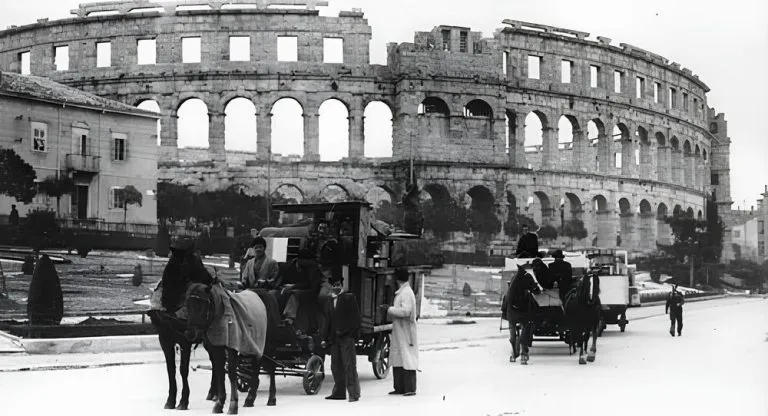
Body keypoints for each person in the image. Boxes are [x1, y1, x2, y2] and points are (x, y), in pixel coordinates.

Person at [321, 274, 361, 402]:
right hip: (334, 339)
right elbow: (326, 321)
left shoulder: (349, 298)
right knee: (335, 366)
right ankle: (339, 392)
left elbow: (355, 319)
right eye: (334, 285)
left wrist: (348, 332)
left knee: (349, 365)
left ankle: (354, 394)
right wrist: (324, 338)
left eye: (338, 285)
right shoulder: (328, 301)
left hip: (346, 337)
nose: (336, 287)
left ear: (342, 286)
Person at [381, 267, 418, 396]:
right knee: (398, 358)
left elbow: (406, 311)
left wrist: (390, 309)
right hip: (400, 331)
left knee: (407, 358)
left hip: (406, 332)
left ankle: (409, 388)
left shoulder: (406, 293)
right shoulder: (403, 292)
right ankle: (400, 387)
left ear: (397, 279)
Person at [501, 263, 538, 364]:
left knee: (506, 299)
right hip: (520, 307)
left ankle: (504, 313)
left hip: (513, 310)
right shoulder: (526, 277)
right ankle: (521, 353)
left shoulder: (518, 276)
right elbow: (534, 288)